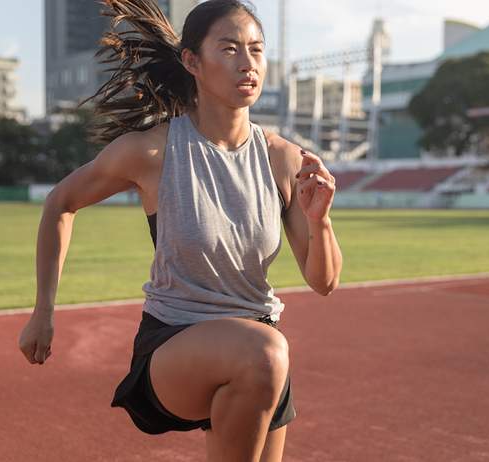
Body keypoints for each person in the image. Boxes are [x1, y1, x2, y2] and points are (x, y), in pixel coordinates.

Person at [18, 0, 343, 460]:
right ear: (192, 61)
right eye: (229, 49)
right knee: (267, 352)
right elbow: (60, 203)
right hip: (175, 343)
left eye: (256, 49)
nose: (247, 63)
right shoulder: (152, 152)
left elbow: (324, 281)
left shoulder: (283, 158)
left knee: (266, 353)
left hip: (259, 348)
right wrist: (43, 312)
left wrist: (320, 220)